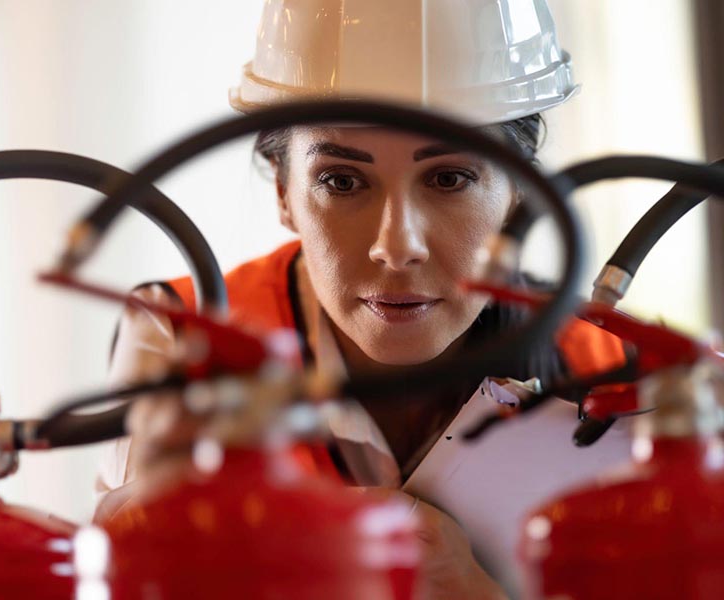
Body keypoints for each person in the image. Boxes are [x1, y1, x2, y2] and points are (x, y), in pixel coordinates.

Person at [96, 1, 630, 597]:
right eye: (342, 181)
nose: (396, 247)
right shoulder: (184, 337)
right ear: (283, 192)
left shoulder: (614, 378)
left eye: (448, 178)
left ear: (519, 197)